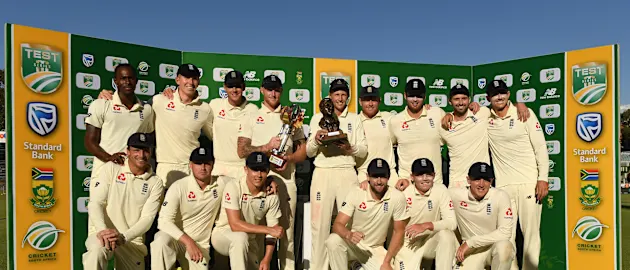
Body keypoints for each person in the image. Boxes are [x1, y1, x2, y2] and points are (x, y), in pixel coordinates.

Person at [97, 63, 214, 188]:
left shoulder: (205, 109)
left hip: (192, 169)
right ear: (177, 79)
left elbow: (216, 138)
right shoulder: (159, 100)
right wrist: (105, 95)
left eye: (194, 78)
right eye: (186, 77)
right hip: (165, 169)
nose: (190, 82)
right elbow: (133, 108)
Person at [237, 74, 307, 270]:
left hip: (287, 181)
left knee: (287, 235)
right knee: (257, 235)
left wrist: (290, 159)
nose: (273, 93)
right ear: (262, 90)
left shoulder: (291, 115)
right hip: (258, 183)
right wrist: (266, 147)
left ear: (281, 91)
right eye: (269, 89)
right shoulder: (250, 115)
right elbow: (242, 150)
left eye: (276, 89)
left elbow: (303, 150)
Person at [485, 79, 549, 270]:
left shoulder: (525, 114)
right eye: (495, 94)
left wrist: (543, 178)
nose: (499, 97)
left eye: (503, 93)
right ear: (488, 98)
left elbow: (541, 147)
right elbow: (465, 112)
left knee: (530, 236)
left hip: (529, 184)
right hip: (504, 188)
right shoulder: (484, 118)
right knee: (506, 237)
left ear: (509, 95)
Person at [306, 78, 368, 270]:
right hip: (323, 172)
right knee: (319, 226)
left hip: (346, 171)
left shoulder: (355, 118)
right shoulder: (318, 117)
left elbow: (364, 151)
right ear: (330, 97)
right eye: (336, 94)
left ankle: (348, 266)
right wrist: (316, 140)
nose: (340, 99)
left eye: (343, 95)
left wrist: (350, 148)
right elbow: (308, 151)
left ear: (348, 97)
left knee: (348, 224)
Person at [83, 133, 164, 270]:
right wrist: (103, 231)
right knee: (96, 253)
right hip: (102, 234)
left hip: (131, 240)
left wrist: (124, 237)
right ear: (128, 151)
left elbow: (147, 219)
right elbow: (95, 203)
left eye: (145, 150)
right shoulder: (111, 168)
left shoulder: (155, 182)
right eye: (136, 150)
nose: (141, 155)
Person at [438, 84, 530, 188]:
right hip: (457, 183)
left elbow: (501, 107)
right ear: (450, 101)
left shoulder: (482, 113)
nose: (460, 102)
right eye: (456, 99)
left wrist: (519, 104)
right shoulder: (444, 124)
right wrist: (448, 114)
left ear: (469, 100)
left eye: (464, 98)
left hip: (482, 180)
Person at [150, 146, 226, 270]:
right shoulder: (179, 186)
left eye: (207, 163)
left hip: (200, 245)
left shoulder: (221, 183)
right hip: (176, 240)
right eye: (198, 163)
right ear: (190, 165)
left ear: (213, 165)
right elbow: (163, 222)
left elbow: (245, 182)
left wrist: (269, 181)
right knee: (160, 240)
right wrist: (188, 242)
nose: (203, 167)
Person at [325, 158, 408, 270]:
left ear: (388, 177)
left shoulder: (397, 197)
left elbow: (399, 231)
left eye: (383, 176)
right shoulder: (356, 193)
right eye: (375, 176)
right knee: (333, 241)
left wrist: (387, 262)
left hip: (374, 248)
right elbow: (337, 225)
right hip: (352, 244)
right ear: (368, 177)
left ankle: (357, 266)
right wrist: (349, 235)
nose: (379, 181)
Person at [211, 152, 284, 270]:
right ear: (246, 169)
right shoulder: (234, 186)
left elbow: (272, 233)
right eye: (255, 170)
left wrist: (266, 260)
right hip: (223, 234)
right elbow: (234, 225)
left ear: (268, 171)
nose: (259, 175)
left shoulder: (272, 195)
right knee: (240, 238)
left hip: (250, 241)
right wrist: (268, 229)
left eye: (263, 170)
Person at [85, 63, 154, 179]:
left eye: (130, 78)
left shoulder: (146, 110)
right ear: (115, 81)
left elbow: (149, 142)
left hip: (133, 175)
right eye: (123, 78)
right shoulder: (101, 104)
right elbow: (90, 142)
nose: (127, 82)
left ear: (136, 81)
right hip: (105, 173)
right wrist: (109, 158)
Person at [449, 162, 515, 270]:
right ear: (468, 180)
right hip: (470, 252)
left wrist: (471, 242)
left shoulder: (500, 196)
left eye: (486, 180)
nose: (481, 184)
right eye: (477, 179)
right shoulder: (456, 195)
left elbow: (505, 232)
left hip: (492, 248)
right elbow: (434, 193)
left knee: (505, 247)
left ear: (491, 181)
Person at [396, 158, 458, 270]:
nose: (425, 178)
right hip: (407, 245)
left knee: (446, 235)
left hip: (430, 241)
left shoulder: (441, 190)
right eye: (420, 175)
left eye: (428, 174)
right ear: (412, 177)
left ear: (434, 175)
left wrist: (426, 225)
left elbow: (452, 223)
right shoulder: (404, 193)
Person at [389, 79, 446, 189]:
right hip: (407, 185)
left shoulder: (437, 113)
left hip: (434, 184)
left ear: (424, 97)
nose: (415, 100)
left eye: (419, 96)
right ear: (405, 96)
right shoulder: (395, 120)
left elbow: (457, 120)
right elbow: (389, 148)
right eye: (411, 95)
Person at [355, 86, 398, 188]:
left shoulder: (389, 118)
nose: (370, 104)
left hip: (389, 173)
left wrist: (426, 108)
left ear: (379, 101)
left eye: (373, 100)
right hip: (364, 174)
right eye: (366, 100)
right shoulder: (354, 121)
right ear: (360, 101)